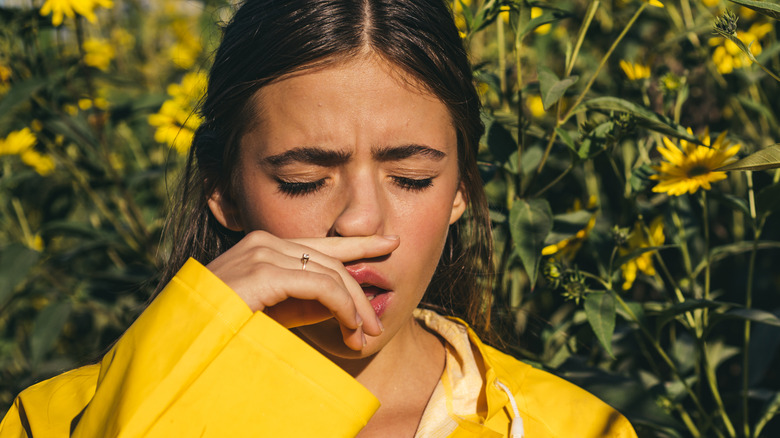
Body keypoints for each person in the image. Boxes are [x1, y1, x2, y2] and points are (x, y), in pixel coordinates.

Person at [0, 0, 638, 436]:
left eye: (412, 177)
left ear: (462, 191)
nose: (360, 221)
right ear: (221, 188)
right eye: (303, 181)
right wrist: (182, 355)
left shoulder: (575, 427)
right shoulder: (60, 420)